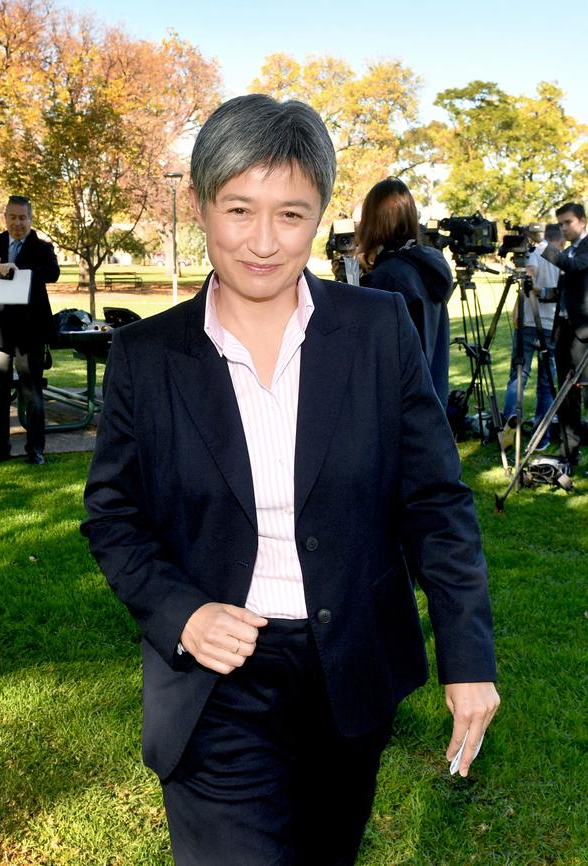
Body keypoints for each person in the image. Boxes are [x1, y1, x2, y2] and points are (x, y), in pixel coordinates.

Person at [81, 94, 499, 866]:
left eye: (292, 214)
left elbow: (435, 501)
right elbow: (113, 516)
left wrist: (467, 658)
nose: (264, 242)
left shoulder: (377, 331)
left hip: (350, 671)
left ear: (322, 218)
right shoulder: (146, 356)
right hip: (215, 685)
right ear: (203, 206)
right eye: (239, 209)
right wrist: (183, 613)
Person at [0, 195, 59, 465]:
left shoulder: (41, 247)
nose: (18, 223)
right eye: (13, 217)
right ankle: (0, 448)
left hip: (30, 331)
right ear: (6, 217)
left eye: (23, 218)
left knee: (30, 390)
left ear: (31, 219)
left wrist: (19, 268)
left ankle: (35, 449)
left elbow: (53, 273)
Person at [357, 177, 453, 408]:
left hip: (400, 409)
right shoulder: (426, 265)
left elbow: (374, 357)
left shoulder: (389, 276)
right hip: (431, 405)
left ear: (372, 221)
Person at [502, 224, 563, 451]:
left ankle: (508, 431)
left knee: (518, 377)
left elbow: (528, 275)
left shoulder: (536, 253)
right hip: (551, 327)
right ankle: (541, 438)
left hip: (529, 323)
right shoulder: (563, 258)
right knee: (546, 384)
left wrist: (521, 302)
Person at [542, 202, 588, 467]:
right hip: (565, 334)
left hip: (583, 335)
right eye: (560, 224)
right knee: (566, 397)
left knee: (587, 397)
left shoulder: (580, 250)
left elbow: (575, 267)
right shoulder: (570, 249)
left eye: (567, 223)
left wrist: (543, 248)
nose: (563, 228)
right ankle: (568, 453)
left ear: (582, 221)